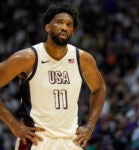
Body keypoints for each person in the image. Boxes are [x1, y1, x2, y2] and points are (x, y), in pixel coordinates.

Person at [0, 2, 106, 150]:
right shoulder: (27, 58)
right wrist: (13, 124)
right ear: (48, 27)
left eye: (69, 24)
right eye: (59, 23)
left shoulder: (82, 59)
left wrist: (90, 125)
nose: (64, 27)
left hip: (71, 141)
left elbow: (99, 88)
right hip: (36, 141)